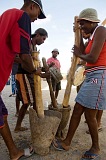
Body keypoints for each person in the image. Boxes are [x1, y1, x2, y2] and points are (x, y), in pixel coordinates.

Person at [53, 8, 106, 160]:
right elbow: (84, 50)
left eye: (83, 24)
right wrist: (77, 36)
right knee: (77, 109)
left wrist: (78, 54)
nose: (82, 27)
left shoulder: (101, 30)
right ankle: (66, 142)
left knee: (90, 115)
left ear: (91, 21)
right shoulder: (93, 36)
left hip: (98, 75)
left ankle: (95, 148)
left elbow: (93, 57)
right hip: (91, 75)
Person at [0, 0, 47, 159]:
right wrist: (35, 71)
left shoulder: (7, 14)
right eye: (38, 15)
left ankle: (13, 151)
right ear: (32, 6)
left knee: (2, 113)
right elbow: (24, 56)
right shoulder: (23, 16)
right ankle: (13, 152)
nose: (36, 19)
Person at [14, 28, 48, 132]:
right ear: (37, 35)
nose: (43, 41)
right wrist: (32, 66)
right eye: (43, 39)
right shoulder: (26, 43)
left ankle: (22, 125)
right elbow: (15, 58)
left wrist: (41, 70)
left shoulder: (34, 47)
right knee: (26, 102)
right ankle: (19, 126)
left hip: (29, 74)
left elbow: (33, 65)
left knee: (30, 100)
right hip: (22, 74)